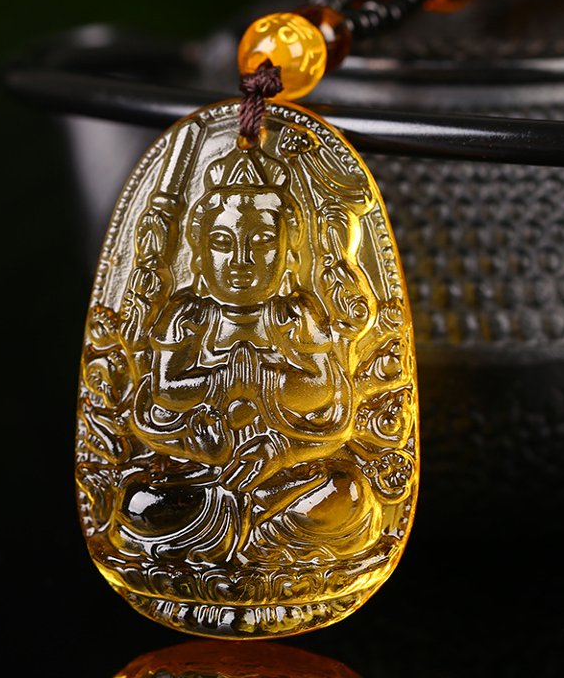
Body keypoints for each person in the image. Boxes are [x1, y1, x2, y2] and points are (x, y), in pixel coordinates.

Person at [115, 146, 381, 565]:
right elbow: (164, 390)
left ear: (289, 253)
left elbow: (323, 390)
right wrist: (218, 406)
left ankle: (245, 538)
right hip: (201, 474)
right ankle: (259, 537)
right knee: (141, 502)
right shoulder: (188, 314)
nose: (241, 260)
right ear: (199, 254)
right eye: (222, 242)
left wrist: (275, 439)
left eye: (262, 242)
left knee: (343, 492)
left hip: (281, 475)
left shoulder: (295, 314)